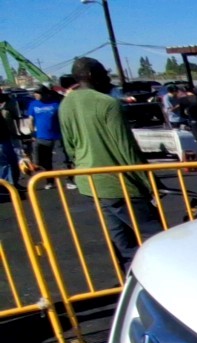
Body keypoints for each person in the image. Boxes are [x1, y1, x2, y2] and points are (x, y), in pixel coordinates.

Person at [59, 57, 161, 267]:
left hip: (89, 181)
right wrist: (149, 182)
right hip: (119, 183)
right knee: (155, 237)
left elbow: (69, 146)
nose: (108, 79)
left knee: (123, 241)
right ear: (91, 75)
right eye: (104, 74)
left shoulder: (66, 104)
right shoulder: (108, 104)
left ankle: (131, 278)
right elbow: (127, 148)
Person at [26, 86, 72, 189]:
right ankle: (49, 181)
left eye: (38, 93)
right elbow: (30, 119)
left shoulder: (55, 103)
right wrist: (32, 133)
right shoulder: (33, 104)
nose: (35, 95)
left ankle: (69, 180)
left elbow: (63, 117)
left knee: (63, 160)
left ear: (45, 94)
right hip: (42, 137)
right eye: (35, 93)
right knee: (46, 161)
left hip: (57, 136)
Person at [0, 89, 21, 187]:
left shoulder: (7, 103)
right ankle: (6, 187)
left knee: (12, 162)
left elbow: (15, 118)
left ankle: (14, 184)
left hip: (7, 137)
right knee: (4, 164)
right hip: (2, 140)